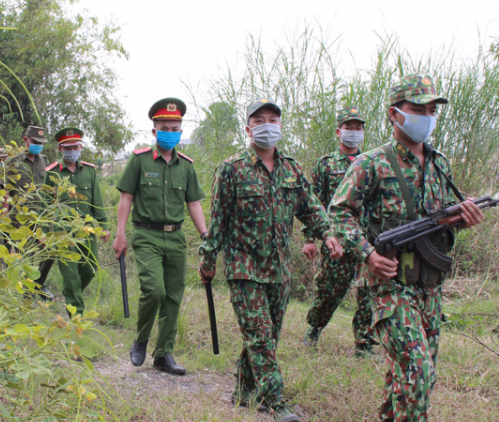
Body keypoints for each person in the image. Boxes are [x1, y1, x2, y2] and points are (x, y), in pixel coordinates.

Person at [328, 74, 484, 421]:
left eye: (432, 110)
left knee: (407, 376)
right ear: (394, 114)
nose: (426, 117)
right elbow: (338, 212)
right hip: (391, 286)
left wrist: (464, 216)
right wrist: (367, 253)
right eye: (417, 109)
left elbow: (439, 220)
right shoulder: (371, 162)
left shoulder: (440, 163)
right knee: (418, 374)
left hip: (430, 287)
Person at [198, 98, 343, 422]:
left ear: (280, 125)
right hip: (243, 268)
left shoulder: (292, 169)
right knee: (261, 336)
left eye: (273, 119)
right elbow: (218, 221)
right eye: (259, 119)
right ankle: (275, 401)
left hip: (279, 270)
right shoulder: (231, 169)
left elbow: (311, 207)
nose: (267, 125)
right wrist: (208, 259)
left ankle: (243, 389)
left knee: (265, 337)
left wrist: (328, 234)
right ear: (248, 127)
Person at [113, 98, 208, 376]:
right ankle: (141, 338)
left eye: (175, 127)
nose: (171, 132)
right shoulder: (140, 160)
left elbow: (193, 203)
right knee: (155, 290)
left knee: (173, 297)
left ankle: (163, 354)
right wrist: (120, 234)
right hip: (147, 235)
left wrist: (205, 234)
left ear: (181, 130)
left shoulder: (186, 166)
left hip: (176, 238)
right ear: (154, 131)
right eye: (165, 127)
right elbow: (126, 197)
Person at [302, 106, 378, 357]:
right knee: (330, 289)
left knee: (367, 291)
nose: (354, 132)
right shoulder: (326, 165)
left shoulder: (372, 162)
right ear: (338, 131)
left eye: (358, 128)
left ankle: (364, 343)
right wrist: (310, 238)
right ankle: (314, 328)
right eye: (349, 127)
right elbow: (314, 203)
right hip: (337, 239)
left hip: (366, 239)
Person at [43, 127, 109, 316]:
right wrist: (44, 231)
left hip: (86, 231)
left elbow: (98, 201)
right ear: (60, 150)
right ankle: (77, 315)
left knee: (91, 269)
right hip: (63, 231)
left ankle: (71, 293)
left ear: (80, 147)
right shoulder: (53, 173)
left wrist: (104, 227)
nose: (72, 151)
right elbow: (45, 205)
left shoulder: (90, 172)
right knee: (71, 275)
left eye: (76, 147)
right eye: (68, 147)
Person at [5, 126, 54, 300]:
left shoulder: (45, 162)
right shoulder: (13, 162)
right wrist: (5, 215)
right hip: (21, 219)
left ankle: (39, 284)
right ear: (26, 140)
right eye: (35, 142)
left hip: (42, 218)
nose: (38, 146)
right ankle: (27, 292)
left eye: (41, 143)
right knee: (27, 256)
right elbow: (6, 191)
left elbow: (50, 188)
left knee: (50, 253)